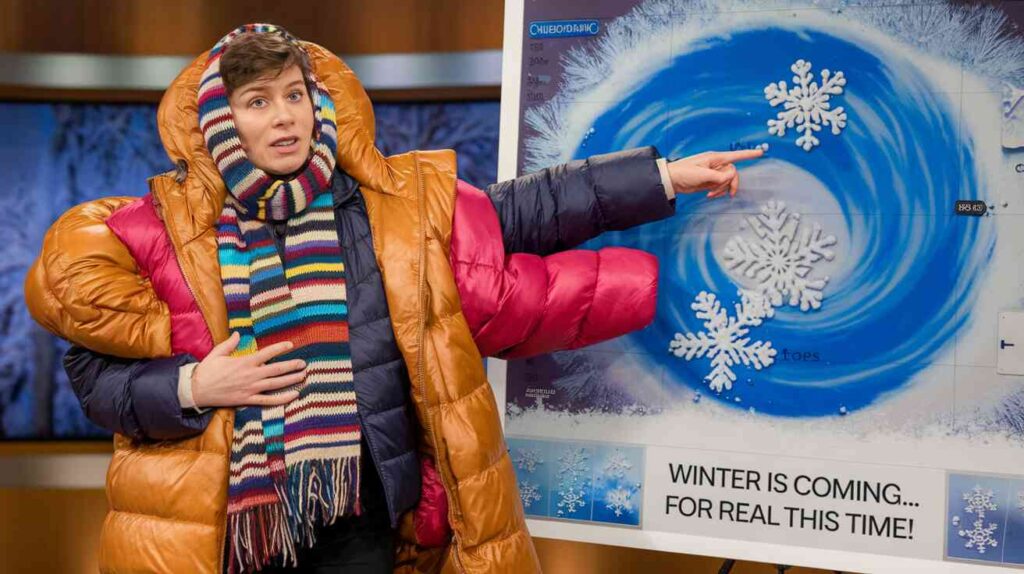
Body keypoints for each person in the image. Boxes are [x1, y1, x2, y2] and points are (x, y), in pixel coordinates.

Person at [24, 23, 762, 574]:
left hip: (360, 519)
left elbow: (528, 208)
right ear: (222, 123)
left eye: (295, 97)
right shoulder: (165, 229)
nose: (284, 117)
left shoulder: (386, 203)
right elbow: (92, 376)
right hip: (217, 527)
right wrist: (194, 384)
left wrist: (666, 178)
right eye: (258, 102)